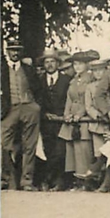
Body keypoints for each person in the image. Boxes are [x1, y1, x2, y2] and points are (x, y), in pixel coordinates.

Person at [1, 39, 42, 190]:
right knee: (3, 144)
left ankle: (27, 181)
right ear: (7, 51)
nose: (15, 53)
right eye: (12, 50)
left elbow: (39, 89)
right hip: (8, 109)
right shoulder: (0, 68)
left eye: (18, 50)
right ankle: (7, 178)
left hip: (29, 107)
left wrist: (36, 106)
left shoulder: (28, 69)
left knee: (30, 145)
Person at [58, 52, 95, 187]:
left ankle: (87, 180)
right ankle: (75, 181)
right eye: (75, 64)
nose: (77, 66)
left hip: (83, 118)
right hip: (71, 119)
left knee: (83, 149)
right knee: (71, 150)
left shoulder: (90, 79)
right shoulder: (73, 80)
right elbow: (69, 99)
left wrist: (79, 115)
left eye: (80, 64)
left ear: (86, 64)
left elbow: (88, 101)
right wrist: (66, 114)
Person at [37, 48, 71, 191]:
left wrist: (64, 115)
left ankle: (59, 180)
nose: (50, 64)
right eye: (47, 62)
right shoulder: (38, 80)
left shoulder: (67, 80)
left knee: (60, 151)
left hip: (62, 121)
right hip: (45, 122)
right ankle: (46, 180)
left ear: (58, 64)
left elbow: (71, 101)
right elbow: (36, 100)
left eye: (52, 61)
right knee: (47, 150)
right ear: (44, 64)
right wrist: (44, 113)